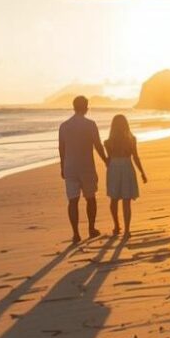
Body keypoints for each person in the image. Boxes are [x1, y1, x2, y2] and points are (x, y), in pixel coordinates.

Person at [58, 95, 108, 244]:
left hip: (70, 167)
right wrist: (106, 160)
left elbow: (61, 148)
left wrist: (62, 166)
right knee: (90, 198)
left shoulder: (64, 126)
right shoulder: (90, 124)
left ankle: (75, 234)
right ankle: (91, 229)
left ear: (74, 107)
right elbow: (97, 145)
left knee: (72, 201)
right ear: (86, 107)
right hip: (87, 167)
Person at [104, 114, 147, 238]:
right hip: (127, 166)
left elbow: (109, 158)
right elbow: (135, 157)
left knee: (114, 198)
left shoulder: (108, 142)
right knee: (126, 200)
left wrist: (109, 163)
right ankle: (127, 230)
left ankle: (116, 225)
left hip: (114, 167)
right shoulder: (131, 139)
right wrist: (142, 172)